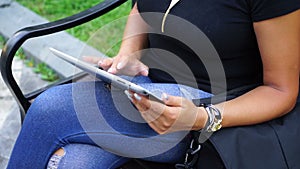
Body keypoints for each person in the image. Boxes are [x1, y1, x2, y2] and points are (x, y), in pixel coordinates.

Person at [7, 0, 300, 168]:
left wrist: (202, 118)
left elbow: (281, 91)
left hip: (211, 110)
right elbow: (141, 8)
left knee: (49, 110)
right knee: (74, 165)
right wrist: (128, 55)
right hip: (145, 88)